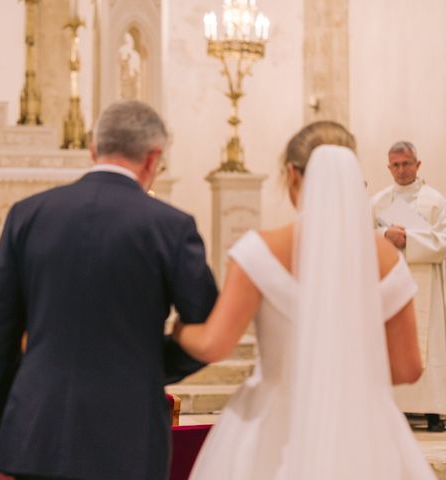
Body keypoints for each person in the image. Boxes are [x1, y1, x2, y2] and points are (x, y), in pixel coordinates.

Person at [173, 121, 435, 479]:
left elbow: (214, 345)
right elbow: (408, 368)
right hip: (362, 429)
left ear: (292, 175)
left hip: (274, 426)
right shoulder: (386, 258)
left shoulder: (259, 250)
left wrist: (181, 329)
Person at [0, 100, 218, 480]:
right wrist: (147, 366)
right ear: (153, 159)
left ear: (93, 149)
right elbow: (208, 326)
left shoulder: (28, 215)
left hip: (35, 431)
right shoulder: (172, 227)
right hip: (129, 434)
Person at [371, 141, 446, 432]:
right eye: (396, 165)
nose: (401, 170)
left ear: (418, 164)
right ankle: (397, 408)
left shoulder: (436, 201)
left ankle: (432, 411)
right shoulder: (378, 201)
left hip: (426, 281)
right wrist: (384, 232)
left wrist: (409, 240)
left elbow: (442, 242)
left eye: (406, 164)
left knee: (430, 342)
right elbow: (363, 236)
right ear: (389, 167)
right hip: (390, 282)